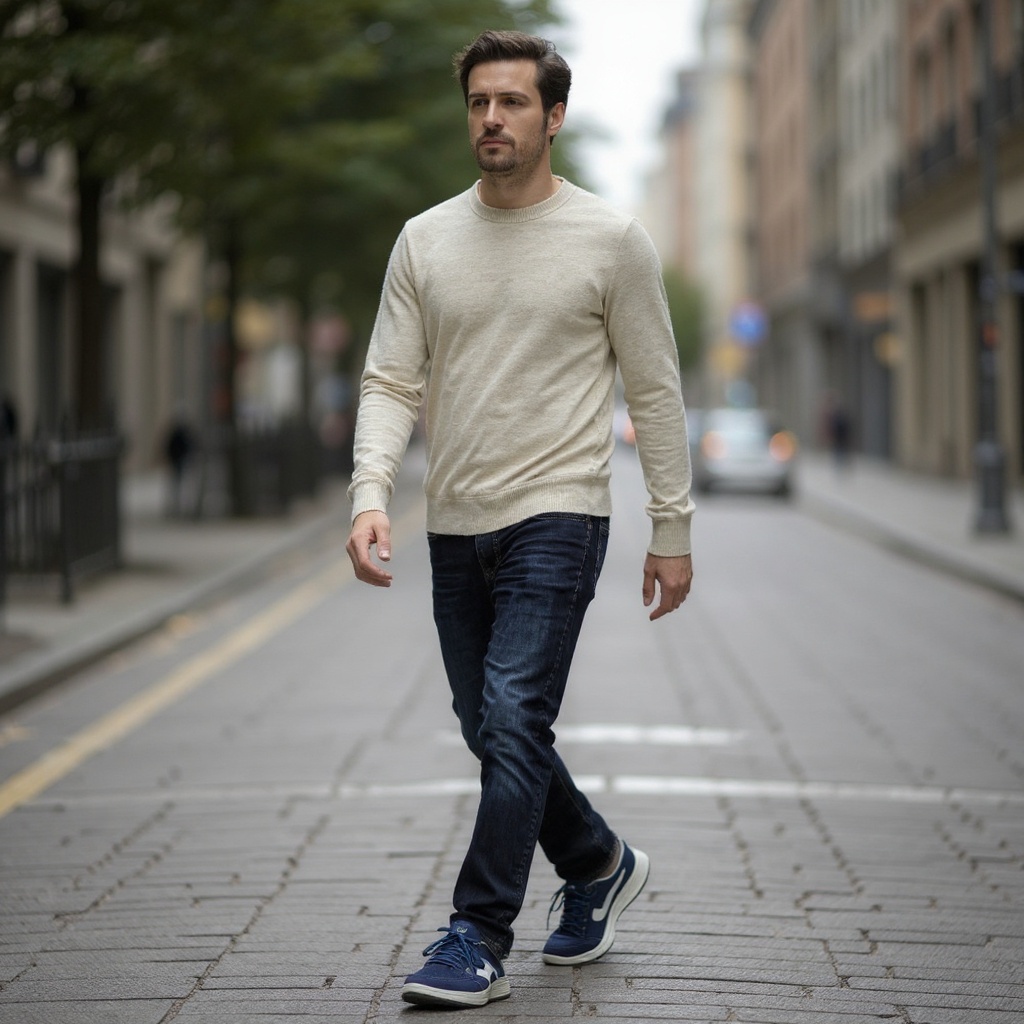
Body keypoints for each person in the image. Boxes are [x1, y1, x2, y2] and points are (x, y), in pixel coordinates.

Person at [345, 29, 694, 1009]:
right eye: (477, 104)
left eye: (510, 102)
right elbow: (387, 378)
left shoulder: (610, 241)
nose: (490, 119)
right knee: (487, 722)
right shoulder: (424, 238)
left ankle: (477, 932)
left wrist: (671, 528)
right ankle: (596, 862)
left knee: (513, 717)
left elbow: (655, 392)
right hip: (453, 519)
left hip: (560, 511)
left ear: (553, 116)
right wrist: (371, 495)